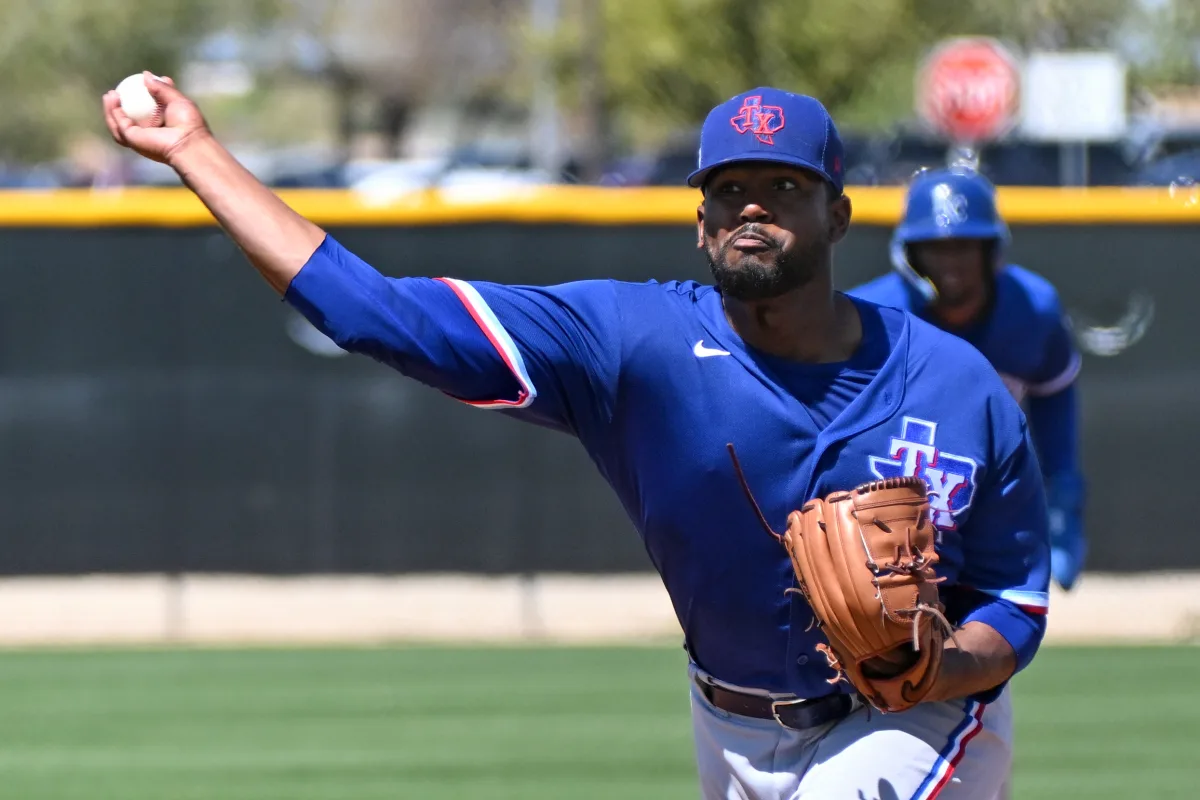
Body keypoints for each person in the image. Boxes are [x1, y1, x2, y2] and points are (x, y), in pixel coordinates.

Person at [103, 76, 1049, 799]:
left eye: (782, 185)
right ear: (699, 221)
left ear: (837, 214)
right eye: (727, 189)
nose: (750, 206)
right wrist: (195, 151)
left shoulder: (954, 382)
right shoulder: (632, 345)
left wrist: (944, 665)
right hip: (728, 723)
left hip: (917, 721)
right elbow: (376, 314)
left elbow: (1015, 596)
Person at [848, 167, 1086, 592]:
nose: (951, 262)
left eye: (965, 247)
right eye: (937, 248)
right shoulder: (872, 316)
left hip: (985, 489)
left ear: (991, 251)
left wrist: (1064, 502)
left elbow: (1055, 396)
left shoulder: (1033, 310)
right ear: (911, 255)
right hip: (895, 491)